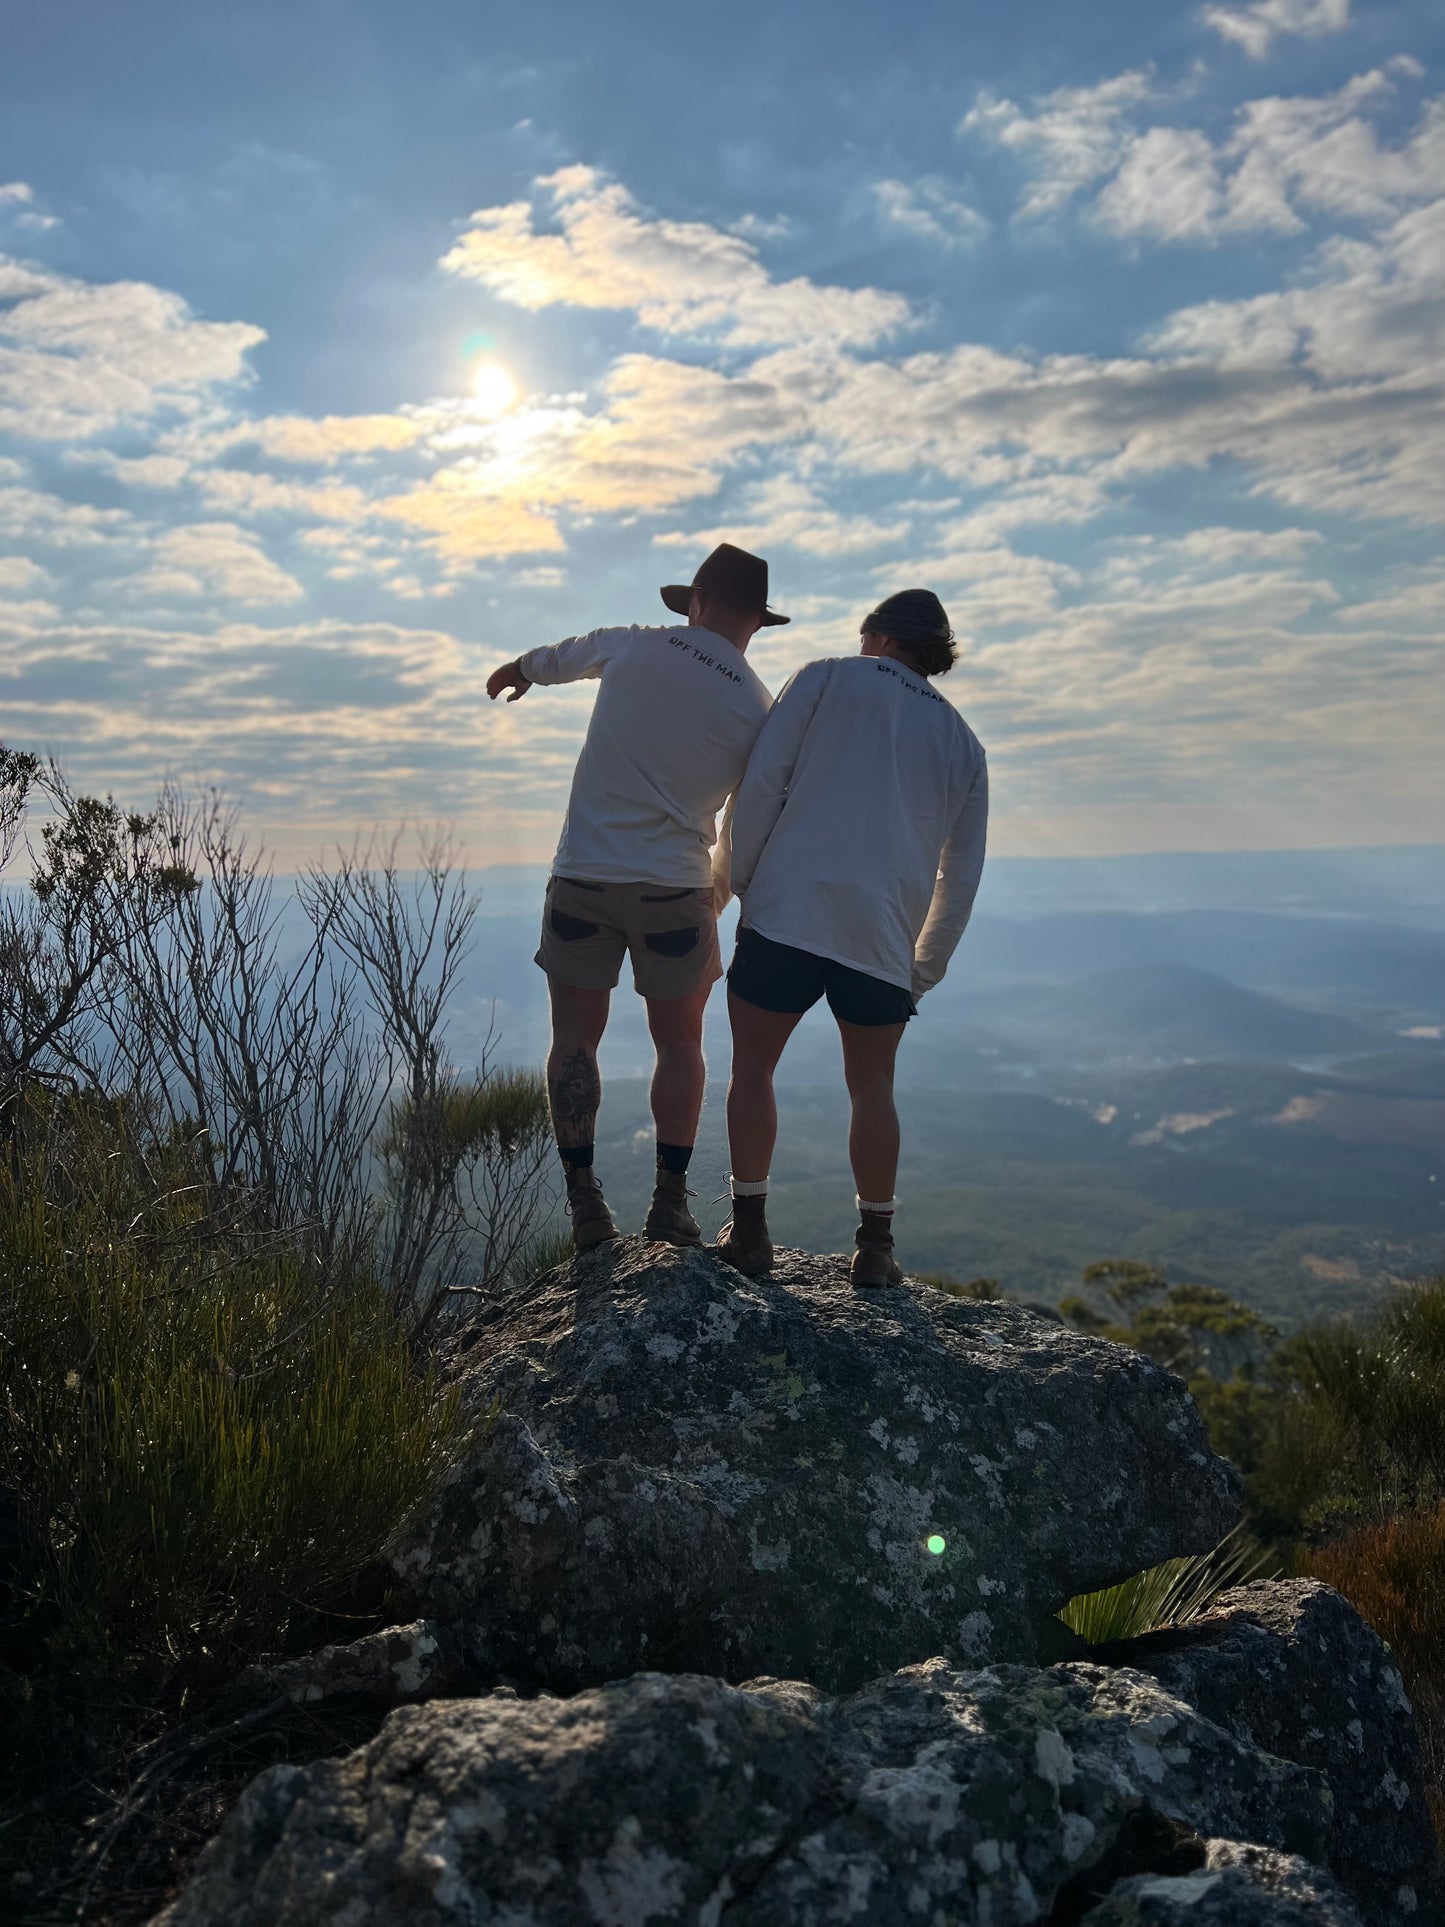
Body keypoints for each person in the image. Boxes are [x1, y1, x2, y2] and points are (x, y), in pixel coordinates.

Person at [486, 544, 783, 1252]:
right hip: (675, 889)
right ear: (757, 622)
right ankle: (669, 1205)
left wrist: (522, 668)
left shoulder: (635, 647)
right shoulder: (758, 705)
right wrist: (719, 892)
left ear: (696, 602)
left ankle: (585, 1202)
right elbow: (745, 820)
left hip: (583, 873)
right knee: (680, 1043)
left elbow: (569, 653)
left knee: (573, 1039)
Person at [717, 588, 988, 1288]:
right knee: (872, 1085)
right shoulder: (963, 743)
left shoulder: (825, 676)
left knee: (753, 1069)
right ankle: (874, 1246)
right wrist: (919, 968)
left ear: (882, 638)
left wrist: (742, 881)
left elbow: (761, 784)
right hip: (882, 939)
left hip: (786, 911)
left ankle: (749, 1232)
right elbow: (961, 875)